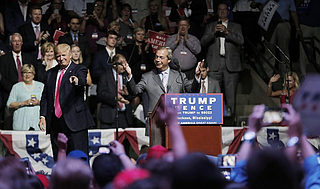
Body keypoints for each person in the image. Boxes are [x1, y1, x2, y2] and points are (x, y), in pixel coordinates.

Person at [126, 46, 201, 135]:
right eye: (156, 57)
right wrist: (130, 75)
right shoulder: (147, 77)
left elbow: (192, 90)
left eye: (161, 57)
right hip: (155, 123)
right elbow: (135, 91)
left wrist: (196, 77)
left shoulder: (179, 75)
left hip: (175, 122)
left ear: (169, 60)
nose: (157, 60)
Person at [39, 43, 95, 161]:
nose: (61, 58)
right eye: (58, 56)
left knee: (78, 158)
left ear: (70, 55)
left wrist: (76, 81)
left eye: (63, 55)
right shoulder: (51, 73)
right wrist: (43, 116)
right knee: (59, 158)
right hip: (55, 123)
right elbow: (45, 97)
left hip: (75, 122)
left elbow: (83, 80)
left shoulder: (79, 69)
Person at [201, 2, 244, 114]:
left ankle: (231, 121)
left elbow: (241, 41)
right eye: (220, 10)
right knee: (214, 96)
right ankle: (214, 120)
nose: (222, 11)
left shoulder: (236, 26)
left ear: (228, 12)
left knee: (231, 96)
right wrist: (212, 33)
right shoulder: (210, 26)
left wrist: (227, 32)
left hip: (231, 64)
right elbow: (203, 43)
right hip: (214, 63)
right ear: (217, 12)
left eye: (224, 10)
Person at [250, 0, 302, 78]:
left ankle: (286, 75)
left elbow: (293, 12)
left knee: (284, 52)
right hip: (270, 26)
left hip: (283, 24)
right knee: (269, 52)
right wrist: (259, 5)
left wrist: (297, 28)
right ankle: (267, 76)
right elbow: (252, 4)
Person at [0, 33, 35, 130]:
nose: (17, 43)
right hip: (9, 97)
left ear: (22, 43)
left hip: (27, 97)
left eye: (19, 41)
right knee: (9, 127)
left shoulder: (29, 58)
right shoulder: (3, 59)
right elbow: (2, 79)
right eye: (14, 41)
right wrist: (15, 90)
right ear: (10, 43)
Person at [97, 54, 134, 129]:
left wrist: (127, 94)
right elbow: (101, 93)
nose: (124, 66)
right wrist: (115, 98)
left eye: (125, 64)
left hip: (124, 116)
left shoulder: (127, 76)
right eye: (122, 64)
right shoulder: (105, 76)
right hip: (109, 116)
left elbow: (134, 93)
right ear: (114, 64)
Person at [7, 64, 44, 131]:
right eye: (25, 72)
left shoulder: (41, 86)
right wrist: (24, 103)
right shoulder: (16, 87)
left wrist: (38, 102)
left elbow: (47, 103)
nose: (27, 75)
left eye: (29, 72)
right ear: (22, 74)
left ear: (33, 74)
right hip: (21, 123)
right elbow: (9, 104)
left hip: (37, 123)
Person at [297, 0, 320, 77]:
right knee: (304, 49)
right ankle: (304, 73)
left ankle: (318, 70)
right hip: (305, 23)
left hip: (318, 24)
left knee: (318, 49)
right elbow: (296, 4)